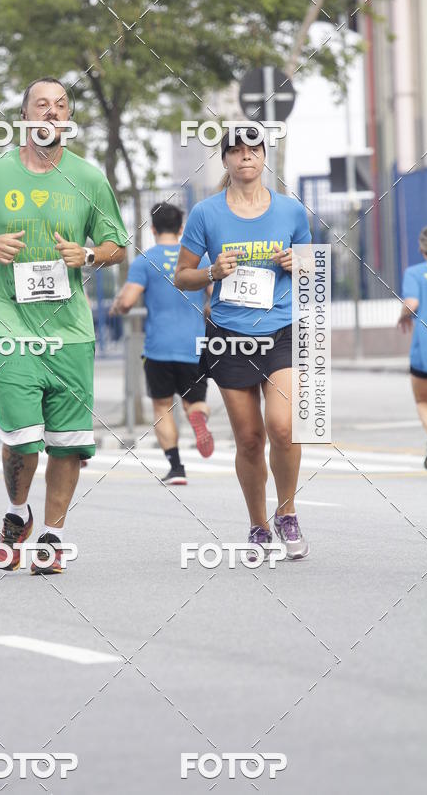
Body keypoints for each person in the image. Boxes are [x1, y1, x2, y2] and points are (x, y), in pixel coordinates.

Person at [0, 76, 127, 574]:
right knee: (21, 436)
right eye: (42, 104)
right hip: (7, 319)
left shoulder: (89, 178)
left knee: (68, 442)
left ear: (67, 118)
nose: (52, 112)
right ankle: (17, 511)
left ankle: (52, 536)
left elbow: (117, 245)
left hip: (69, 328)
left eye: (61, 105)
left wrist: (89, 255)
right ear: (25, 116)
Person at [174, 127, 312, 560]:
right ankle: (258, 525)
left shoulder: (291, 210)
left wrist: (297, 263)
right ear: (225, 160)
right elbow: (182, 276)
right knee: (250, 439)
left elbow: (311, 267)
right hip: (230, 336)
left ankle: (287, 512)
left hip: (281, 330)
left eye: (253, 150)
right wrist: (212, 272)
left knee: (283, 427)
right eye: (235, 151)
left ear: (264, 157)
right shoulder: (206, 213)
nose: (245, 157)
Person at [109, 202, 214, 484]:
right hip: (194, 346)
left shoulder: (145, 261)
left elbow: (128, 301)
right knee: (195, 402)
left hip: (159, 348)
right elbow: (214, 295)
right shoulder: (199, 259)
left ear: (153, 229)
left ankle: (176, 468)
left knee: (162, 407)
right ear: (181, 229)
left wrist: (117, 306)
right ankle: (199, 418)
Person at [397, 226, 427, 469]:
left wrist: (403, 316)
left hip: (424, 346)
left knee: (423, 401)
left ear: (421, 248)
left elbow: (412, 303)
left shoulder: (415, 273)